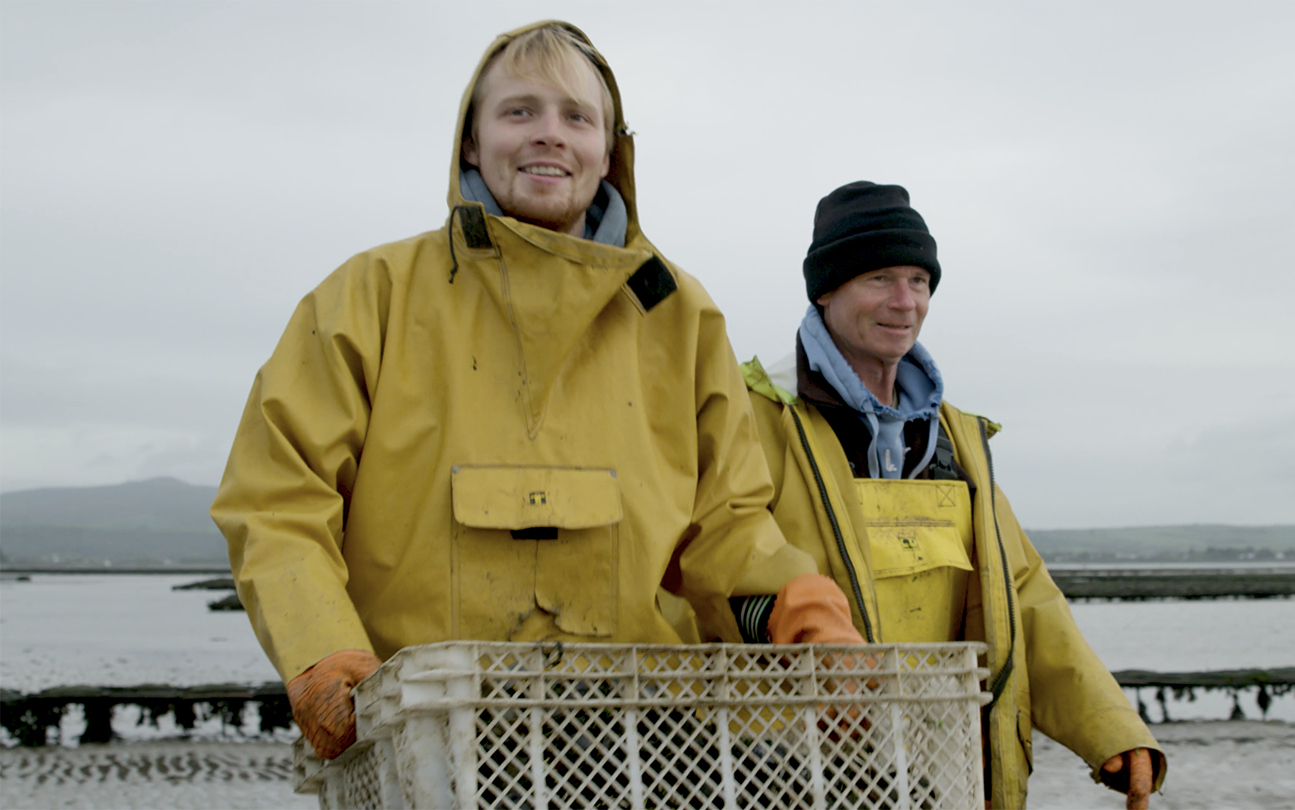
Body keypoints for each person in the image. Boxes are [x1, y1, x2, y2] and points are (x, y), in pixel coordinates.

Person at [211, 21, 860, 761]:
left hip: (644, 743)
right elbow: (279, 498)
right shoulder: (368, 298)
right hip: (420, 744)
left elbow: (726, 523)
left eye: (577, 117)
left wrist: (800, 608)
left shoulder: (679, 316)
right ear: (470, 141)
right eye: (519, 111)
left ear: (609, 152)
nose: (549, 133)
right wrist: (321, 648)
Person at [738, 181, 1167, 810]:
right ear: (824, 289)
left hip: (944, 776)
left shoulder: (958, 440)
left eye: (919, 280)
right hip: (784, 776)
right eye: (880, 278)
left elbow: (1024, 596)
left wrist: (1109, 727)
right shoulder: (751, 417)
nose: (905, 302)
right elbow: (714, 573)